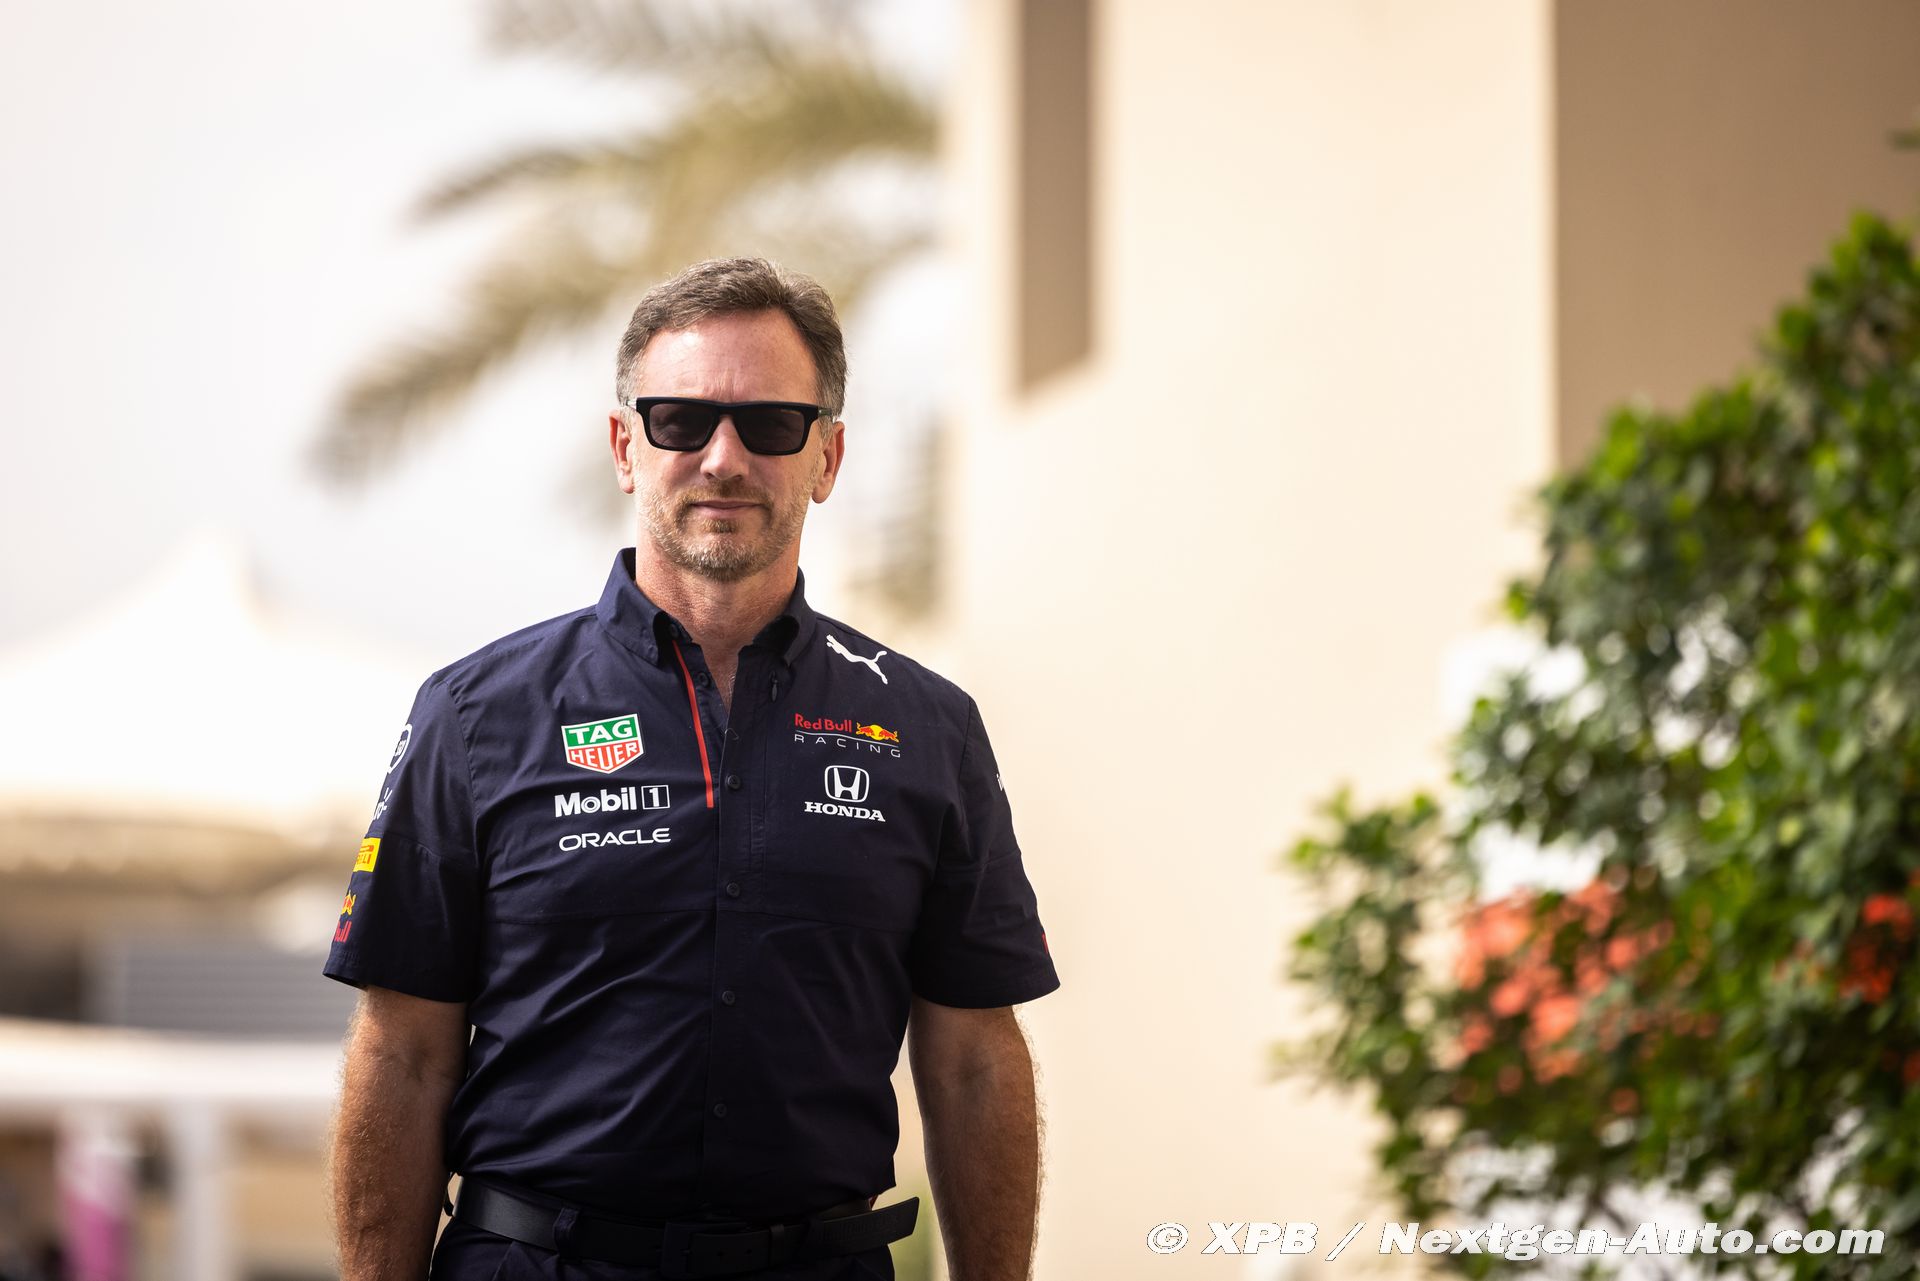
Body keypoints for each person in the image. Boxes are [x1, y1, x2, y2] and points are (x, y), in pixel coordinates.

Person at [323, 258, 1060, 1281]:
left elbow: (974, 1059)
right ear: (625, 447)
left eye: (771, 424)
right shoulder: (475, 714)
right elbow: (401, 1053)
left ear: (828, 456)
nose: (723, 457)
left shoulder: (928, 728)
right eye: (680, 420)